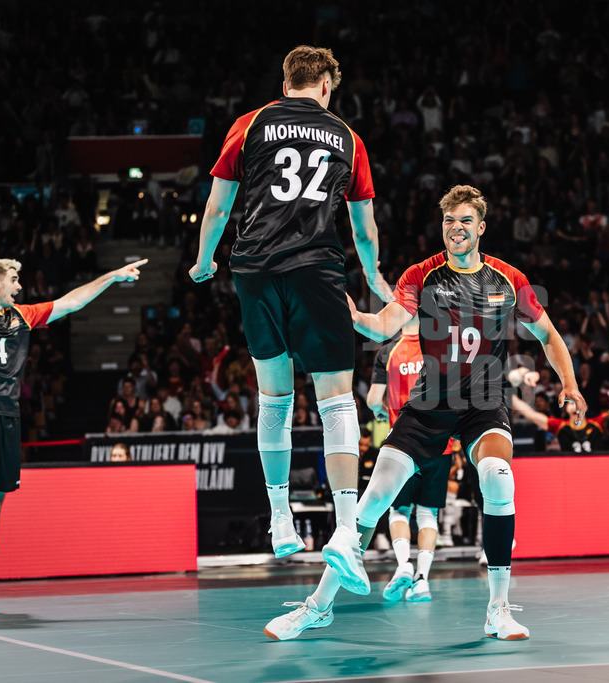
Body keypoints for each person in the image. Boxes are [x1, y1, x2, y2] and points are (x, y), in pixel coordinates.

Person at [264, 184, 586, 642]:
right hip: (429, 404)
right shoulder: (421, 274)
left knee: (498, 477)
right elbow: (385, 325)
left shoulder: (509, 279)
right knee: (375, 496)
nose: (456, 228)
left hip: (484, 405)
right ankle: (317, 607)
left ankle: (498, 608)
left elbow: (549, 336)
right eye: (449, 220)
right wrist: (354, 315)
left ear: (481, 227)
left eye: (466, 220)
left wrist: (570, 385)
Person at [189, 46, 392, 589]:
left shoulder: (249, 123)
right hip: (315, 270)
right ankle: (345, 533)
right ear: (325, 85)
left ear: (286, 83)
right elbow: (364, 229)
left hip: (254, 269)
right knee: (336, 401)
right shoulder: (348, 137)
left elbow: (218, 206)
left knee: (274, 397)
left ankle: (281, 520)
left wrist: (204, 260)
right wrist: (374, 278)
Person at [0, 190, 147, 613]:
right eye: (14, 279)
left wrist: (111, 276)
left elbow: (72, 301)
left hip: (7, 416)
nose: (20, 286)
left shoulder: (23, 316)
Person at [366, 318, 452, 603]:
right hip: (441, 445)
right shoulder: (441, 347)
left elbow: (373, 399)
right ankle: (422, 581)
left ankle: (404, 564)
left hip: (404, 444)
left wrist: (381, 412)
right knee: (428, 514)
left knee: (400, 510)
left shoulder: (387, 352)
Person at [511, 364, 609, 453]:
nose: (575, 405)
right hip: (569, 471)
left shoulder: (597, 423)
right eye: (571, 402)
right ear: (566, 409)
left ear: (586, 407)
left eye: (578, 401)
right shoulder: (560, 426)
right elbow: (531, 414)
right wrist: (508, 395)